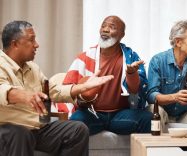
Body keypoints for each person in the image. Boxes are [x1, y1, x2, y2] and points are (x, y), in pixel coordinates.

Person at [0, 21, 114, 156]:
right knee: (20, 134)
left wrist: (82, 87)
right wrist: (25, 96)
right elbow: (2, 90)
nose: (37, 45)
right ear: (15, 44)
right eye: (32, 40)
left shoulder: (33, 68)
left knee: (77, 130)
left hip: (37, 129)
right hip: (7, 130)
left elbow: (53, 91)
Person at [63, 15, 152, 135]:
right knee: (75, 123)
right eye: (103, 26)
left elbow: (135, 90)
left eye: (112, 27)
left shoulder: (131, 58)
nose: (105, 29)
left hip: (120, 115)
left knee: (149, 119)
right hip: (92, 113)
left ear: (122, 35)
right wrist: (85, 96)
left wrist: (131, 73)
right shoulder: (84, 58)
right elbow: (67, 90)